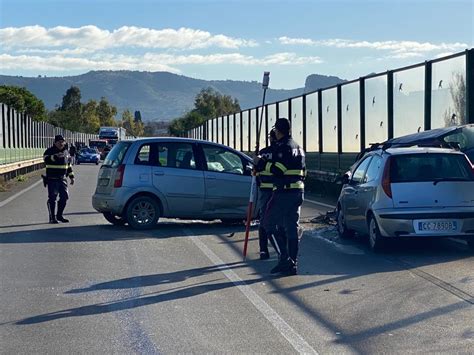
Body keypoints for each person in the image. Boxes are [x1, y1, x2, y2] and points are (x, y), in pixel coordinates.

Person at [254, 118, 305, 275]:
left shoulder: (284, 147)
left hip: (284, 192)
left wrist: (261, 163)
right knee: (291, 228)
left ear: (278, 130)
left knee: (268, 223)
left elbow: (279, 170)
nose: (274, 133)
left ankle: (284, 260)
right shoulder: (298, 147)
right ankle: (293, 264)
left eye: (275, 130)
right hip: (298, 191)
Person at [255, 129, 278, 260]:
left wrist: (256, 164)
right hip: (280, 190)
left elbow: (257, 171)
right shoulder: (283, 152)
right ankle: (281, 250)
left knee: (264, 219)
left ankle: (263, 250)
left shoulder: (263, 153)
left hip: (265, 190)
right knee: (280, 220)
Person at [43, 135, 75, 224]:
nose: (61, 143)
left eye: (62, 142)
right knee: (52, 198)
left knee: (64, 197)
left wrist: (72, 177)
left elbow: (69, 165)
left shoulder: (66, 152)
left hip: (63, 179)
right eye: (59, 142)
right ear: (55, 142)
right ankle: (52, 218)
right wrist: (55, 156)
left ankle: (59, 215)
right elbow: (46, 160)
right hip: (52, 178)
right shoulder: (49, 151)